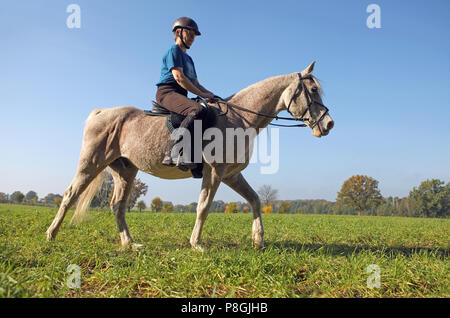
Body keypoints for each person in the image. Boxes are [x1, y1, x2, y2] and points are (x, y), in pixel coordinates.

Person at [155, 17, 215, 171]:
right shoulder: (173, 51)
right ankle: (172, 152)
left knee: (208, 113)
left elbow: (195, 84)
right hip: (167, 92)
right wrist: (201, 93)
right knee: (196, 110)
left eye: (195, 36)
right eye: (190, 34)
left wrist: (210, 94)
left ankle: (195, 163)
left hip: (181, 94)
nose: (193, 38)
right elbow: (179, 78)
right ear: (178, 32)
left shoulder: (189, 59)